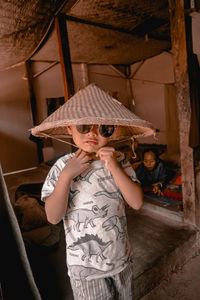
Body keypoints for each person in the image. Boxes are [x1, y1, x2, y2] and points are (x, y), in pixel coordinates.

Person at [32, 83, 155, 300]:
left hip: (119, 259)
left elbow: (136, 202)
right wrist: (66, 176)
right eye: (84, 126)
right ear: (69, 127)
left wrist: (115, 167)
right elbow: (52, 217)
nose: (93, 133)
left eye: (104, 127)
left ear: (113, 131)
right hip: (85, 269)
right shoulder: (62, 166)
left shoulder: (120, 161)